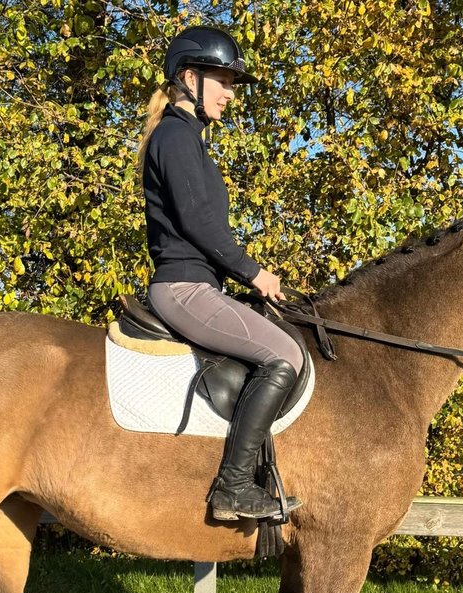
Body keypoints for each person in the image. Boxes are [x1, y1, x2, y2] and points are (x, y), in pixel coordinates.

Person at [138, 25, 304, 522]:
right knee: (285, 355)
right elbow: (197, 222)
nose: (231, 94)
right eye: (223, 81)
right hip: (183, 287)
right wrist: (254, 272)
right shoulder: (174, 136)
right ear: (190, 77)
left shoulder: (187, 139)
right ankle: (233, 487)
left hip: (200, 285)